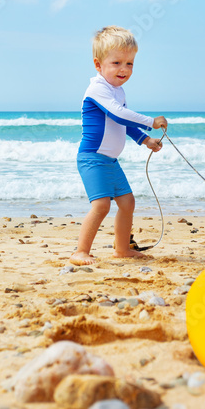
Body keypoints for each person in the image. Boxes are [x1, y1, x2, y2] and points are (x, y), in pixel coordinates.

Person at [69, 26, 167, 266]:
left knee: (127, 202)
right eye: (116, 63)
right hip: (92, 158)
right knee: (101, 205)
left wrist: (146, 140)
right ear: (98, 64)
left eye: (129, 64)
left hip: (110, 161)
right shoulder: (98, 89)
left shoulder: (117, 91)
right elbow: (120, 115)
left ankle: (122, 249)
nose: (124, 69)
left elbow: (123, 124)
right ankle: (80, 251)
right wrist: (151, 122)